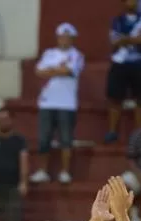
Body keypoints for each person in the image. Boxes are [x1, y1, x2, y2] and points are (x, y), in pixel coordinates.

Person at [30, 23, 85, 185]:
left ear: (73, 39)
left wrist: (52, 71)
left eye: (67, 37)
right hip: (47, 101)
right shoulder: (49, 53)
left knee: (66, 139)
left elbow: (69, 71)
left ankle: (65, 171)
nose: (64, 40)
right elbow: (38, 71)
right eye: (61, 36)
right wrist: (57, 70)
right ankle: (42, 171)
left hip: (67, 103)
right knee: (44, 139)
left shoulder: (77, 55)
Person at [105, 0, 141, 144]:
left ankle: (140, 132)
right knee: (115, 98)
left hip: (140, 63)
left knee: (140, 99)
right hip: (120, 63)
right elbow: (114, 41)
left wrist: (124, 39)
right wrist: (132, 39)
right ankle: (112, 131)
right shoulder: (117, 20)